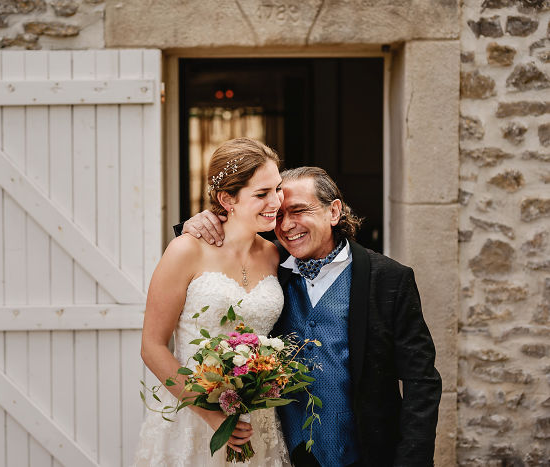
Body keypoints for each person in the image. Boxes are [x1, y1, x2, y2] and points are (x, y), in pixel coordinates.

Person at [181, 166, 442, 467]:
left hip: (365, 453)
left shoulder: (389, 279)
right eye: (278, 216)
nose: (287, 225)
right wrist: (199, 223)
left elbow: (421, 381)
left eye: (299, 210)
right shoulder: (267, 267)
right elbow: (217, 262)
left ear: (333, 212)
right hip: (285, 454)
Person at [134, 138, 291, 466]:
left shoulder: (277, 254)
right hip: (192, 418)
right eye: (261, 194)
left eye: (278, 188)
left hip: (257, 421)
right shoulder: (186, 250)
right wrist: (210, 414)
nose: (276, 201)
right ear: (226, 198)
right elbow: (152, 346)